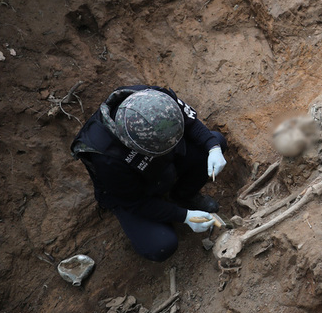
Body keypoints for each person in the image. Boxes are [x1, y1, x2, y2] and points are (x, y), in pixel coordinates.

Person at [71, 85, 229, 261]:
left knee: (215, 142)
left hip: (164, 162)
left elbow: (191, 124)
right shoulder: (106, 155)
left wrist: (213, 147)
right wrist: (184, 216)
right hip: (136, 191)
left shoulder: (159, 100)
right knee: (161, 246)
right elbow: (135, 203)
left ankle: (183, 195)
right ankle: (165, 213)